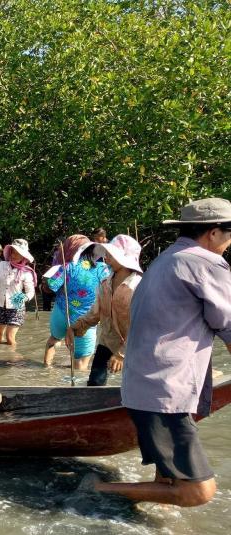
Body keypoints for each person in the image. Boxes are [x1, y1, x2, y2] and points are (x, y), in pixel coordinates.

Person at [92, 198, 231, 507]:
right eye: (229, 233)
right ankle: (98, 490)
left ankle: (122, 504)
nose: (229, 242)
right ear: (212, 233)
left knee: (168, 479)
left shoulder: (166, 259)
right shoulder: (206, 263)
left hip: (147, 387)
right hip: (165, 391)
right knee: (198, 492)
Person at [70, 235, 143, 386]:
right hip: (107, 341)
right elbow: (96, 313)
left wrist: (122, 354)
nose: (106, 257)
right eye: (107, 253)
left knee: (137, 387)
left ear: (123, 258)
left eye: (111, 254)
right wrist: (77, 326)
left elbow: (142, 326)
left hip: (135, 345)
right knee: (95, 383)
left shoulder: (138, 287)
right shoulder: (105, 283)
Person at [43, 235, 109, 369]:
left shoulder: (66, 267)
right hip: (86, 319)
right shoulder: (102, 268)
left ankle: (47, 369)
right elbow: (109, 291)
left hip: (62, 313)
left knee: (54, 339)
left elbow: (50, 286)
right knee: (81, 363)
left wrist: (45, 282)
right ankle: (75, 388)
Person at [0, 239, 36, 345]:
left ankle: (13, 360)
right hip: (0, 305)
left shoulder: (26, 272)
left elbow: (30, 292)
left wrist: (24, 298)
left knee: (10, 338)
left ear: (24, 256)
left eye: (18, 253)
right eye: (13, 252)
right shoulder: (2, 265)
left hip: (16, 307)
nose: (14, 255)